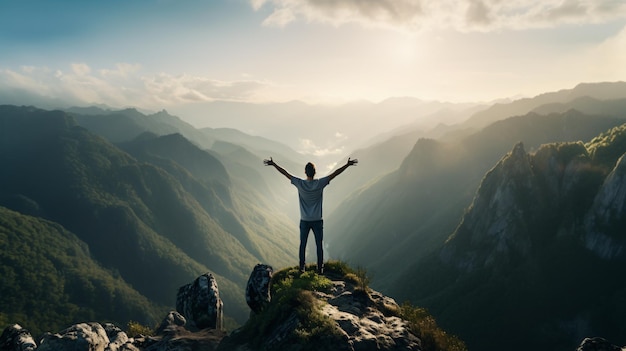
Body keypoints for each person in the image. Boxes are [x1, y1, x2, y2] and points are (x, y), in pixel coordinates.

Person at [264, 157, 358, 274]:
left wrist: (274, 164)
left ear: (305, 172)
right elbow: (335, 174)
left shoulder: (300, 183)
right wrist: (347, 165)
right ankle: (320, 269)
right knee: (319, 245)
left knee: (303, 244)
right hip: (317, 220)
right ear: (315, 173)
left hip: (304, 220)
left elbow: (285, 173)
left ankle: (302, 267)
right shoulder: (320, 183)